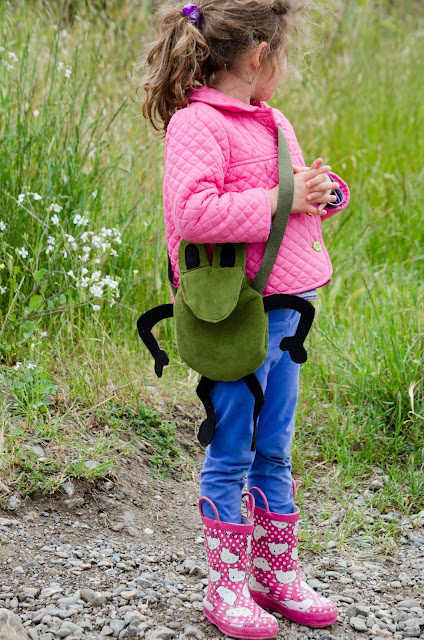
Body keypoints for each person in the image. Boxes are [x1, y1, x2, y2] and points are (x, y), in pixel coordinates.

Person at [138, 1, 350, 637]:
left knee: (275, 446)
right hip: (234, 313)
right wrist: (286, 195)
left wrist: (322, 192)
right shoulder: (196, 124)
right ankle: (225, 583)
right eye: (283, 57)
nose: (284, 69)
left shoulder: (274, 121)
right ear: (259, 57)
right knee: (232, 447)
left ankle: (275, 573)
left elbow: (293, 197)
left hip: (290, 309)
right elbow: (195, 213)